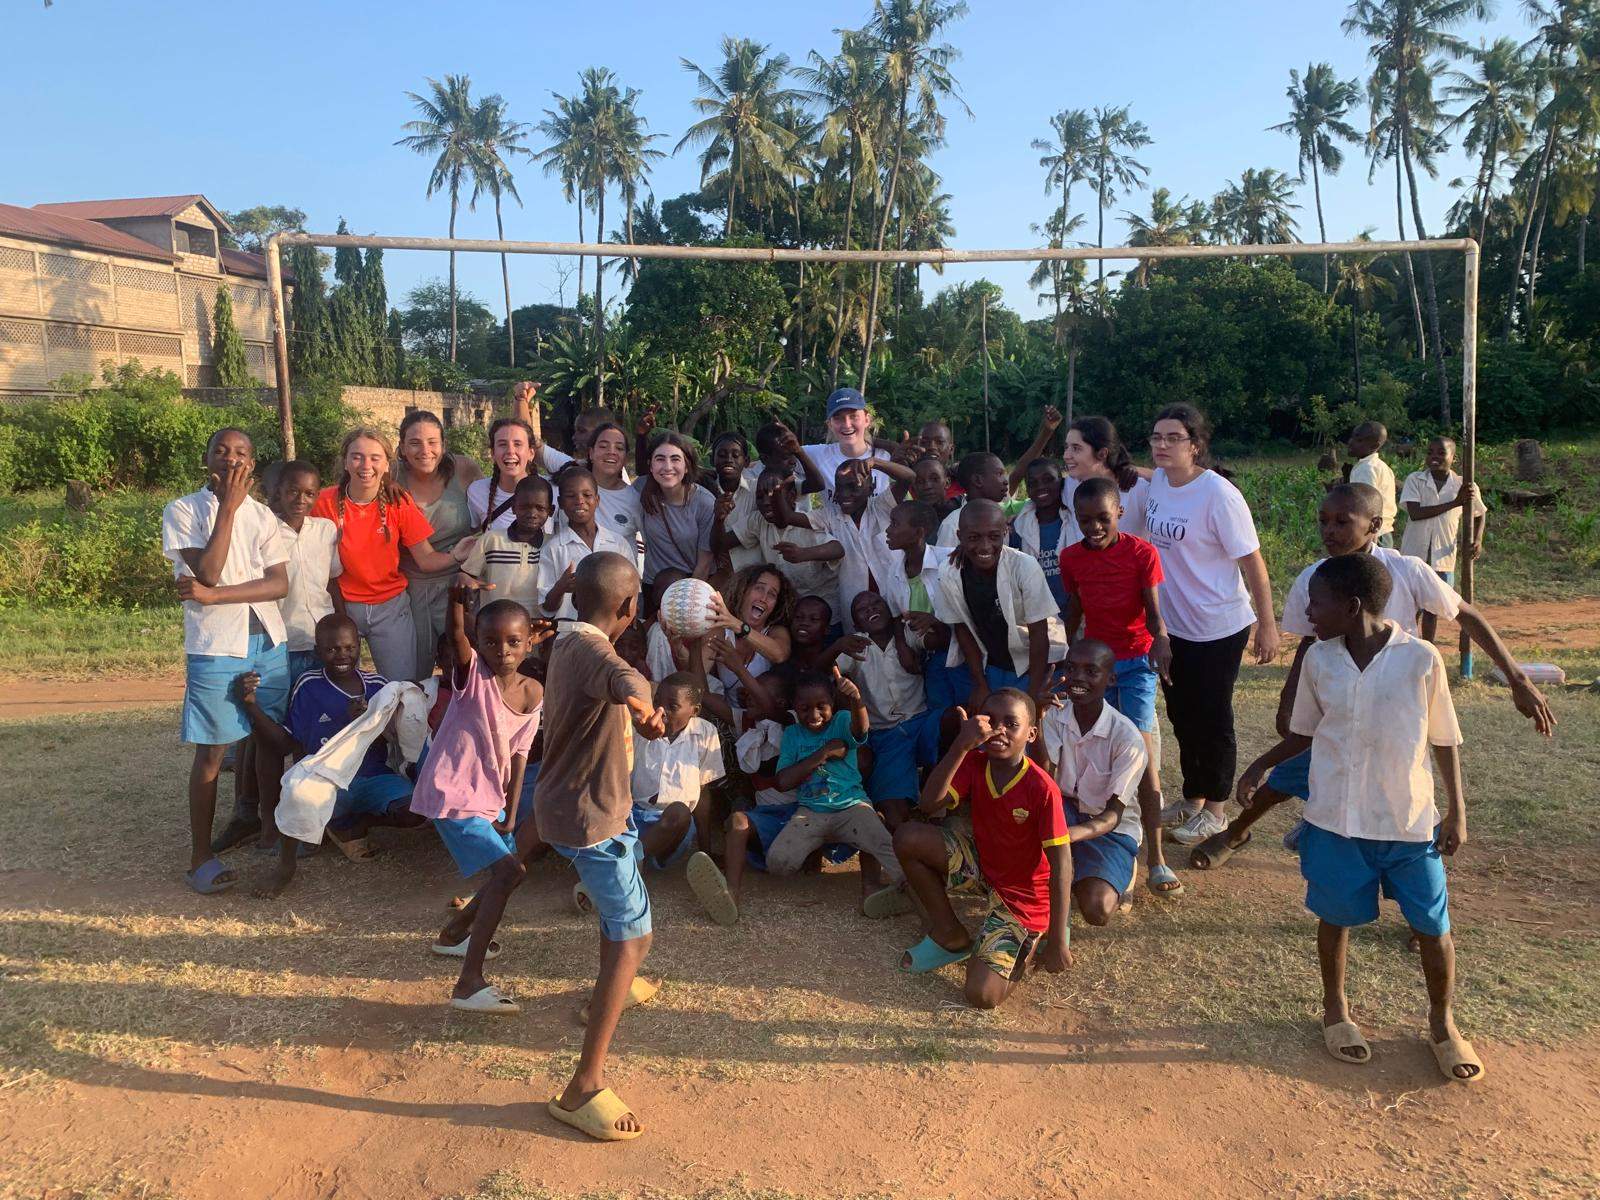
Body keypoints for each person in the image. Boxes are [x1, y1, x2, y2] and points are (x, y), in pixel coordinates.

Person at [1191, 483, 1554, 869]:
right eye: (1323, 521)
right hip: (1342, 698)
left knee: (1404, 792)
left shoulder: (1407, 569)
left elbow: (1467, 615)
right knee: (1294, 772)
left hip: (1397, 705)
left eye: (1342, 522)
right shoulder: (1314, 577)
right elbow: (1309, 642)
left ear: (1375, 525)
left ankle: (1419, 892)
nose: (1329, 530)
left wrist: (1518, 678)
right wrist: (1290, 694)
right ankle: (1236, 833)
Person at [1236, 554, 1483, 1082]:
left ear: (1350, 607)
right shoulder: (1320, 662)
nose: (1307, 611)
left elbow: (1445, 738)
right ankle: (1336, 1010)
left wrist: (1457, 811)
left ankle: (1442, 1023)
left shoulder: (1420, 659)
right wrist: (1259, 765)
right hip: (1336, 820)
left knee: (1433, 927)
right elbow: (1303, 733)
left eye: (1316, 602)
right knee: (1336, 918)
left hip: (1408, 822)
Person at [535, 552, 668, 1142]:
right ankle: (583, 1086)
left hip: (590, 809)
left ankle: (619, 980)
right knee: (634, 934)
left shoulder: (567, 643)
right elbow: (624, 677)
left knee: (623, 921)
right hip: (592, 820)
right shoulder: (595, 652)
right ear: (629, 608)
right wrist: (642, 703)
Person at [1142, 403, 1279, 846]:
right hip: (1173, 627)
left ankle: (1216, 810)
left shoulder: (1219, 495)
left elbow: (1252, 563)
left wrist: (1267, 624)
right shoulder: (1160, 480)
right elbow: (1140, 475)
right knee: (1182, 715)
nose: (1162, 445)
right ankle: (1193, 797)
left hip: (1219, 626)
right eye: (1156, 437)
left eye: (1173, 438)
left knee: (1212, 717)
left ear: (1196, 446)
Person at [162, 428, 290, 895]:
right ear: (207, 458)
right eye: (222, 451)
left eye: (242, 453)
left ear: (252, 465)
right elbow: (209, 568)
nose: (231, 459)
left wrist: (213, 597)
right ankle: (201, 856)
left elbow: (278, 585)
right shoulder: (181, 511)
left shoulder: (264, 517)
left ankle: (269, 829)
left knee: (269, 737)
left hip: (268, 641)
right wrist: (228, 509)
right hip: (216, 646)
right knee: (214, 751)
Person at [413, 584, 548, 1016]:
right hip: (450, 791)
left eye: (513, 641)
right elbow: (456, 636)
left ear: (530, 643)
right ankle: (469, 984)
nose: (503, 650)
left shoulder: (532, 692)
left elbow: (521, 751)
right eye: (490, 641)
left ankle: (453, 935)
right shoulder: (473, 677)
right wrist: (456, 602)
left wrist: (511, 811)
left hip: (486, 796)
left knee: (511, 874)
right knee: (508, 873)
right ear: (478, 643)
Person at [892, 691, 1072, 1008]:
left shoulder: (1041, 788)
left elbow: (1062, 866)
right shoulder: (974, 761)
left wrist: (1058, 938)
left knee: (982, 995)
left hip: (1023, 896)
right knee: (908, 837)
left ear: (1031, 734)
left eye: (1011, 723)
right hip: (984, 866)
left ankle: (1031, 941)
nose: (999, 729)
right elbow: (928, 804)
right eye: (991, 720)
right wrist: (961, 745)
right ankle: (950, 935)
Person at [237, 613, 424, 896]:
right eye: (332, 649)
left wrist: (371, 719)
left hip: (372, 777)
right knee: (299, 797)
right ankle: (285, 869)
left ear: (359, 647)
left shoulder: (378, 686)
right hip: (326, 781)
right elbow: (285, 743)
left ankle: (350, 825)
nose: (342, 655)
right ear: (318, 652)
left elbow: (402, 738)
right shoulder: (309, 685)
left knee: (418, 808)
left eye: (349, 648)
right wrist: (252, 707)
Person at [1058, 476, 1180, 897]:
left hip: (1134, 663)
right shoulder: (1071, 558)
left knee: (1142, 755)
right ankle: (1109, 843)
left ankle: (1157, 859)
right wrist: (1061, 657)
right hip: (1094, 666)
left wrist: (1161, 640)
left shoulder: (1141, 553)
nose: (1094, 527)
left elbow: (1153, 612)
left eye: (1103, 519)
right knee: (1096, 751)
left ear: (1120, 514)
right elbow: (1073, 611)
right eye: (1085, 519)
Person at [312, 427, 473, 682]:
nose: (366, 465)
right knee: (333, 685)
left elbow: (426, 559)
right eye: (357, 456)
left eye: (375, 458)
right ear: (345, 461)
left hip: (390, 607)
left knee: (401, 689)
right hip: (341, 605)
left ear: (388, 464)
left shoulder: (398, 502)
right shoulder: (323, 502)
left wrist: (456, 556)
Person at [763, 670, 906, 905]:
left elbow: (860, 731)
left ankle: (907, 889)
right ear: (794, 707)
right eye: (804, 708)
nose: (814, 714)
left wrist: (857, 699)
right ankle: (818, 852)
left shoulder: (841, 721)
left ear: (832, 702)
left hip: (851, 807)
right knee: (778, 863)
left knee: (887, 849)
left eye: (822, 706)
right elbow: (782, 782)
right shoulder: (792, 734)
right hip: (810, 812)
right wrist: (824, 753)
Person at [1038, 640, 1149, 925]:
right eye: (1071, 668)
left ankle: (1117, 869)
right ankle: (1070, 866)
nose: (1078, 678)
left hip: (1107, 827)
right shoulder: (1053, 716)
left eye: (1091, 671)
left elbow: (1113, 815)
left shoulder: (1126, 737)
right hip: (1064, 811)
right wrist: (1036, 719)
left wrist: (1069, 835)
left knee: (1096, 910)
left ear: (1110, 679)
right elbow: (1042, 780)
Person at [934, 499, 1065, 708]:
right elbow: (962, 629)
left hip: (1036, 663)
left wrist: (1033, 691)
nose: (985, 546)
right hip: (993, 665)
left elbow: (1039, 633)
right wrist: (980, 683)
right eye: (974, 538)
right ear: (960, 537)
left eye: (994, 537)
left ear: (1005, 533)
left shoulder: (1024, 566)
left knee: (1032, 727)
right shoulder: (949, 572)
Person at [628, 673, 731, 924]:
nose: (661, 711)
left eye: (672, 706)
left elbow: (703, 793)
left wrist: (705, 851)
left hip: (673, 827)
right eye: (657, 702)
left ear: (694, 711)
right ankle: (630, 864)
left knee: (679, 811)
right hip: (634, 817)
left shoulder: (705, 733)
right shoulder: (640, 727)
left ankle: (629, 866)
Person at [840, 591, 939, 830]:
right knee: (894, 815)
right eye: (861, 609)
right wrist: (836, 647)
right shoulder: (856, 645)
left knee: (953, 720)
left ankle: (935, 791)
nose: (870, 609)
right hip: (887, 735)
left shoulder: (906, 633)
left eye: (876, 603)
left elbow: (939, 641)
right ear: (855, 623)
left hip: (921, 721)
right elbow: (827, 668)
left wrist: (932, 622)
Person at [396, 410, 481, 678]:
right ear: (401, 447)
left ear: (443, 445)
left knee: (468, 668)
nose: (425, 450)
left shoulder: (463, 469)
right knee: (415, 674)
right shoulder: (390, 476)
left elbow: (494, 505)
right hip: (412, 590)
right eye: (415, 443)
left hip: (461, 585)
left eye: (433, 442)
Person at [779, 459, 909, 632]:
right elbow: (788, 517)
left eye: (853, 486)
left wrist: (875, 463)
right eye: (839, 487)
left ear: (870, 489)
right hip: (857, 611)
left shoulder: (882, 506)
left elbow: (909, 477)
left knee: (903, 642)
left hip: (895, 600)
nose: (845, 494)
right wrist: (779, 491)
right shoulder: (830, 516)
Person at [1400, 436, 1487, 641]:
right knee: (1409, 606)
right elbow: (1416, 513)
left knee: (1433, 608)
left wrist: (1478, 539)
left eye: (1441, 453)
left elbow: (1480, 513)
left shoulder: (1464, 485)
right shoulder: (1416, 479)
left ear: (1453, 458)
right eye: (1430, 452)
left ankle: (1428, 648)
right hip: (1414, 555)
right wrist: (1455, 503)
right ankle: (1404, 646)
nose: (1434, 457)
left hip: (1442, 556)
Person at [883, 499, 960, 710]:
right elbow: (896, 617)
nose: (888, 530)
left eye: (895, 524)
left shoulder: (949, 560)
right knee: (940, 710)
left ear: (919, 533)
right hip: (928, 657)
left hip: (958, 650)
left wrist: (935, 622)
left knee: (965, 704)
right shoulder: (895, 571)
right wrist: (901, 647)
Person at [743, 465, 842, 622]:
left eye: (774, 495)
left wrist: (803, 554)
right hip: (790, 616)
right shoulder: (759, 522)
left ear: (792, 496)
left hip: (825, 619)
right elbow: (721, 543)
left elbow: (837, 548)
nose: (767, 502)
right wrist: (719, 520)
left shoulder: (807, 524)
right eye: (761, 497)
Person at [539, 467, 635, 622]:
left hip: (611, 636)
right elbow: (546, 609)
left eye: (587, 495)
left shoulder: (618, 544)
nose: (579, 501)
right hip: (570, 634)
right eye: (571, 496)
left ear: (597, 500)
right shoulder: (553, 549)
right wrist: (561, 587)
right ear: (560, 502)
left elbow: (633, 595)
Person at [459, 475, 551, 618]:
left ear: (550, 511)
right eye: (524, 507)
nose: (532, 514)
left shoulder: (552, 545)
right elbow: (466, 576)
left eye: (540, 508)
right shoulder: (491, 540)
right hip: (494, 626)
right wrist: (465, 581)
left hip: (536, 629)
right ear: (513, 508)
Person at [635, 431, 716, 584]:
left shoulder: (704, 503)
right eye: (660, 459)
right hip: (653, 585)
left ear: (686, 466)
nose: (667, 467)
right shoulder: (640, 488)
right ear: (650, 466)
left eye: (675, 459)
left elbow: (704, 565)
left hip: (691, 585)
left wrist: (686, 599)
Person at [1061, 415, 1151, 544]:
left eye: (1076, 448)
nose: (1066, 456)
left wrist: (1139, 471)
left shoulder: (1138, 489)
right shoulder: (1070, 485)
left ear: (1102, 454)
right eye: (1066, 447)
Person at [803, 386, 891, 497]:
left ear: (867, 419)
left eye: (854, 416)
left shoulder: (885, 456)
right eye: (838, 418)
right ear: (830, 424)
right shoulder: (818, 455)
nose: (847, 424)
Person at [1010, 457, 1069, 611]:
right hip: (1037, 614)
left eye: (1048, 479)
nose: (1041, 487)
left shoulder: (1075, 523)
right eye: (1032, 483)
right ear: (1027, 489)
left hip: (1074, 613)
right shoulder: (1018, 528)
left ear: (1061, 482)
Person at [467, 418, 540, 533]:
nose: (510, 451)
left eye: (517, 444)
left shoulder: (551, 490)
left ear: (531, 453)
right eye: (502, 444)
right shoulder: (477, 491)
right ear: (493, 453)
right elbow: (473, 534)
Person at [935, 452, 1019, 547]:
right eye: (999, 474)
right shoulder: (952, 524)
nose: (1005, 481)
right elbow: (945, 560)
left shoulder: (1005, 518)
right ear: (977, 480)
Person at [1346, 421, 1397, 548]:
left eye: (1358, 440)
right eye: (1352, 437)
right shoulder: (1379, 466)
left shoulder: (1367, 469)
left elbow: (1368, 504)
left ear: (1374, 445)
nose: (1351, 442)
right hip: (1382, 532)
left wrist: (1368, 535)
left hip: (1373, 535)